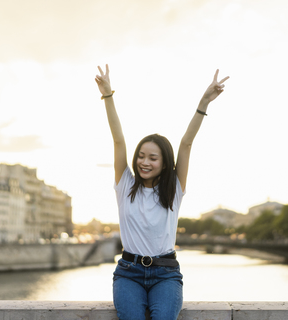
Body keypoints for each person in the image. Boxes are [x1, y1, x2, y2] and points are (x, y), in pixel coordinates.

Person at [95, 64, 229, 320]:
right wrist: (108, 96)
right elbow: (118, 139)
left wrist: (204, 102)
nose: (144, 162)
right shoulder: (124, 185)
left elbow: (186, 143)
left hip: (166, 274)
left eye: (152, 158)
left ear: (165, 163)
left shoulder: (174, 189)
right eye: (141, 156)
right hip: (128, 273)